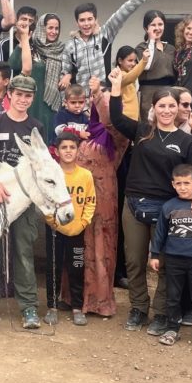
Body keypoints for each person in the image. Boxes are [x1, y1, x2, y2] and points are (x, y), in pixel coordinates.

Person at [109, 74, 192, 336]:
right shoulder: (142, 131)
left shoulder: (186, 141)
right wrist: (117, 88)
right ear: (154, 108)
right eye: (161, 106)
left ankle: (162, 312)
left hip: (168, 209)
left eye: (171, 106)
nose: (166, 110)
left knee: (165, 264)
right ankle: (139, 308)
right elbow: (117, 119)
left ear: (179, 110)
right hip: (134, 204)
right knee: (134, 261)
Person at [0, 74, 46, 328]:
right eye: (18, 94)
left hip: (24, 202)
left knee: (23, 252)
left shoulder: (36, 126)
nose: (22, 99)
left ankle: (28, 308)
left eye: (28, 96)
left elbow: (42, 165)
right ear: (9, 95)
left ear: (32, 98)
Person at [77, 78, 131, 317]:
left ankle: (99, 301)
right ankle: (76, 297)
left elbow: (111, 120)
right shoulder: (86, 132)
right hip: (80, 199)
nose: (100, 108)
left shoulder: (117, 137)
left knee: (100, 247)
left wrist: (99, 93)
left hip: (103, 199)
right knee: (79, 246)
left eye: (105, 105)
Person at [150, 164, 192, 354]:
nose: (183, 187)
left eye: (187, 183)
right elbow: (160, 233)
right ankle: (172, 329)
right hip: (173, 259)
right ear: (173, 184)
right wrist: (155, 254)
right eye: (178, 183)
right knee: (173, 297)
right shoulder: (168, 206)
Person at [43, 132, 96, 327]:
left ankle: (77, 307)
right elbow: (45, 202)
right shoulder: (52, 174)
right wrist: (51, 221)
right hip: (55, 229)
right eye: (64, 148)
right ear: (57, 151)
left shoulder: (86, 175)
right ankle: (52, 307)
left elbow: (90, 201)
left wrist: (83, 223)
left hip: (77, 230)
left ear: (77, 150)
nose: (68, 151)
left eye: (72, 147)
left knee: (77, 267)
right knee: (53, 267)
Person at [60, 0, 158, 92]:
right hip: (80, 101)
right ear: (77, 23)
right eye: (82, 20)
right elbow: (65, 74)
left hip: (103, 97)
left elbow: (122, 13)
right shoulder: (70, 46)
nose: (86, 24)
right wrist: (67, 75)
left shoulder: (105, 34)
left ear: (96, 20)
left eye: (90, 19)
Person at [10, 12, 64, 136]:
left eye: (57, 28)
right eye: (50, 28)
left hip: (50, 105)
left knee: (47, 142)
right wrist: (24, 42)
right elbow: (13, 65)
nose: (54, 31)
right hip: (30, 103)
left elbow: (69, 68)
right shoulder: (30, 47)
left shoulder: (61, 49)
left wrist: (68, 75)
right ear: (41, 28)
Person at [135, 9, 176, 117]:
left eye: (160, 24)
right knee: (149, 126)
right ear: (146, 28)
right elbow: (148, 66)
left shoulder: (170, 48)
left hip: (168, 92)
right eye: (153, 25)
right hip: (149, 93)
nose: (157, 28)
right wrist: (152, 41)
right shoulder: (141, 48)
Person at [112, 45, 148, 121]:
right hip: (125, 118)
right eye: (130, 60)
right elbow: (130, 77)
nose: (133, 63)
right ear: (120, 61)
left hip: (134, 119)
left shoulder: (130, 73)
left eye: (135, 60)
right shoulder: (118, 75)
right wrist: (144, 61)